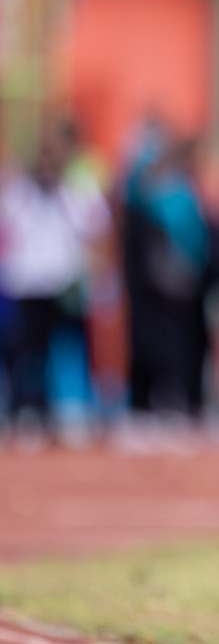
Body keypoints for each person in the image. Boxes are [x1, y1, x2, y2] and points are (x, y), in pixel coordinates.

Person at [0, 123, 111, 443]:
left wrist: (95, 273)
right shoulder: (18, 191)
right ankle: (28, 408)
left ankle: (73, 409)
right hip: (27, 283)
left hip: (64, 283)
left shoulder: (76, 191)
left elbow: (97, 231)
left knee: (69, 348)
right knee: (27, 352)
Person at [123, 134, 211, 421]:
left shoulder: (180, 193)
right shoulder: (144, 200)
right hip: (152, 287)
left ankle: (179, 397)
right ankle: (146, 400)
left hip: (183, 283)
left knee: (182, 343)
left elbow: (194, 239)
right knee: (149, 343)